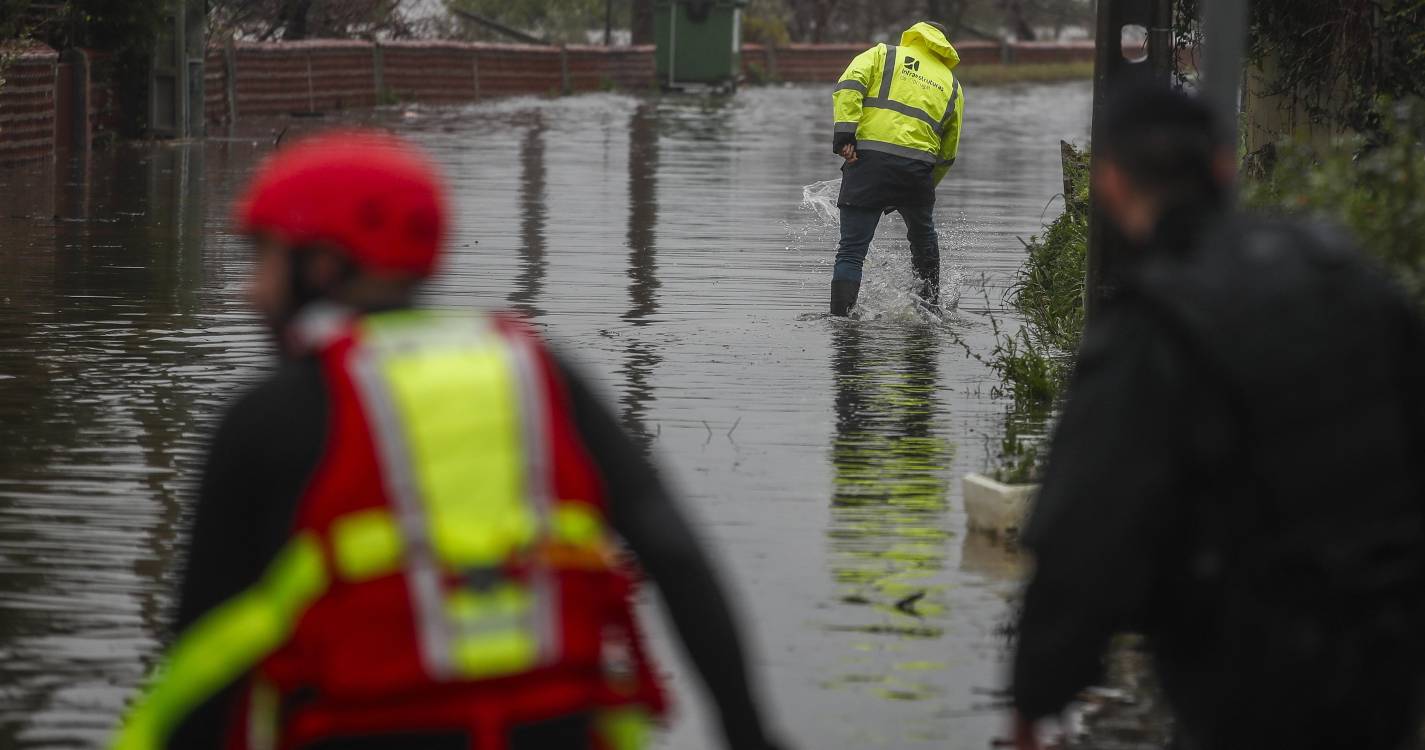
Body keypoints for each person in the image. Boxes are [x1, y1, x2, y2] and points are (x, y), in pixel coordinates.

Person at [112, 131, 783, 750]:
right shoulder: (542, 375)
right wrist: (748, 732)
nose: (249, 292)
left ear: (322, 268)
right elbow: (675, 555)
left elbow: (203, 655)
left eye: (261, 258)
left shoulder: (270, 416)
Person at [1010, 84, 1425, 750]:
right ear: (1223, 169)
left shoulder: (1152, 321)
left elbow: (1084, 529)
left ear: (1110, 183)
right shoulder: (1344, 271)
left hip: (1250, 677)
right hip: (1387, 665)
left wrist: (1036, 696)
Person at [829, 20, 965, 316]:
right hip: (917, 172)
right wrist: (926, 184)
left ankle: (840, 321)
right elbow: (948, 150)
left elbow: (849, 85)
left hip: (867, 163)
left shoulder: (883, 54)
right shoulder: (952, 84)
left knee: (852, 251)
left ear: (913, 36)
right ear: (944, 45)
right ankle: (930, 312)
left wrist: (845, 132)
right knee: (924, 242)